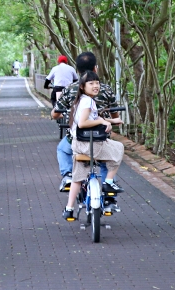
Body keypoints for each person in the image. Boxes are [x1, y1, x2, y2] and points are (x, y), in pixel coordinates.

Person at [51, 51, 121, 193]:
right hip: (101, 137)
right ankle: (109, 189)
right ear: (96, 68)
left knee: (62, 150)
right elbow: (115, 113)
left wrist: (59, 115)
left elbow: (55, 114)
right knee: (106, 158)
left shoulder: (70, 89)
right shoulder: (105, 89)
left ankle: (68, 176)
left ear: (77, 70)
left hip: (77, 138)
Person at [63, 71, 125, 222]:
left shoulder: (80, 100)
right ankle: (109, 182)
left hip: (78, 145)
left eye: (97, 83)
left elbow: (92, 117)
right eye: (91, 83)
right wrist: (103, 122)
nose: (96, 86)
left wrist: (109, 120)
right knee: (118, 149)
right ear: (83, 87)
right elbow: (84, 123)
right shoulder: (88, 102)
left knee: (77, 178)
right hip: (89, 145)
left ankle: (69, 209)